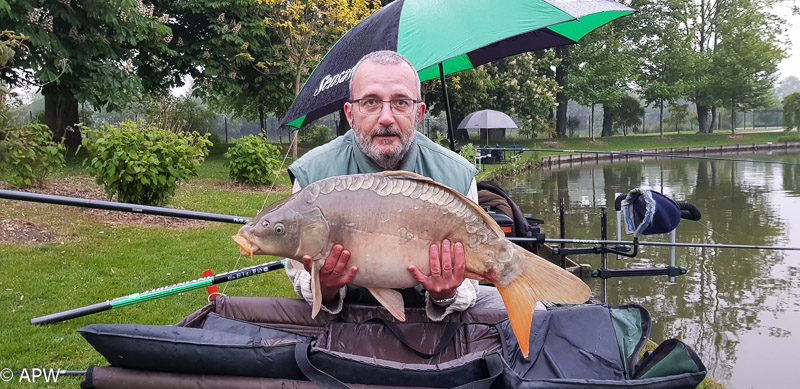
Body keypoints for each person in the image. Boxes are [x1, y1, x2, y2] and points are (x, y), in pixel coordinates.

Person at [285, 50, 494, 321]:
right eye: (370, 102)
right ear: (350, 113)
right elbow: (299, 274)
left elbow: (470, 285)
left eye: (401, 102)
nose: (386, 117)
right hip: (343, 332)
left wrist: (447, 294)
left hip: (432, 336)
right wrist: (324, 288)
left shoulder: (456, 174)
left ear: (418, 113)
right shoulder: (313, 175)